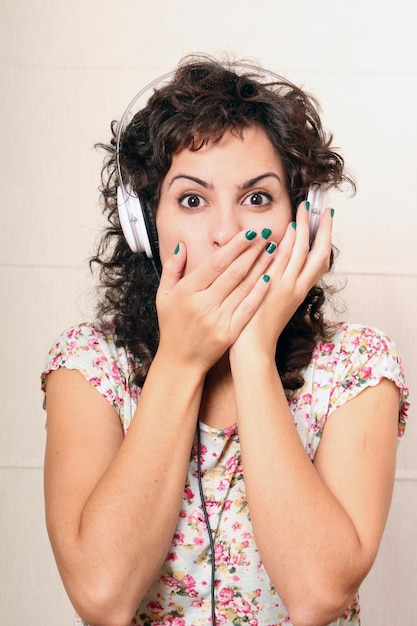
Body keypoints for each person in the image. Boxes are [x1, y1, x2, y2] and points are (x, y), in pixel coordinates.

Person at [41, 55, 409, 626]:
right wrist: (182, 362)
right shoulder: (89, 365)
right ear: (146, 225)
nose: (226, 232)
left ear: (302, 220)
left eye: (257, 198)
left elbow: (318, 595)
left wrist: (253, 354)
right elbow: (103, 598)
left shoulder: (357, 367)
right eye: (192, 199)